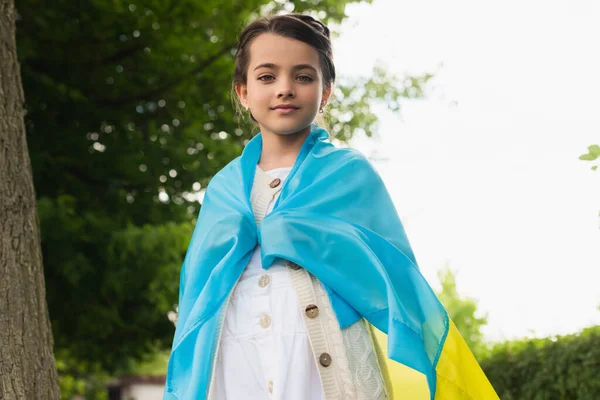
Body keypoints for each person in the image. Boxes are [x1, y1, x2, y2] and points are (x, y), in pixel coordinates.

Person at [164, 12, 498, 400]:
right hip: (234, 364)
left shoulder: (348, 174)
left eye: (303, 77)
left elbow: (392, 276)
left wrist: (303, 239)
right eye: (267, 76)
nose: (285, 89)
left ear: (325, 92)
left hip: (323, 364)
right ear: (243, 92)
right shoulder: (223, 188)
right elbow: (196, 295)